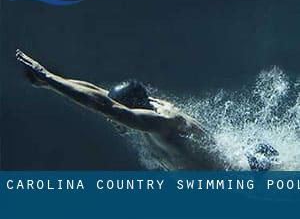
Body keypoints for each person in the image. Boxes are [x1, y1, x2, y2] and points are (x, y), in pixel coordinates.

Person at [15, 49, 278, 170]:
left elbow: (105, 106)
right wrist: (51, 82)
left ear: (132, 109)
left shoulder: (162, 123)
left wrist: (48, 78)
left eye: (115, 115)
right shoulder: (146, 108)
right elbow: (99, 94)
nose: (110, 120)